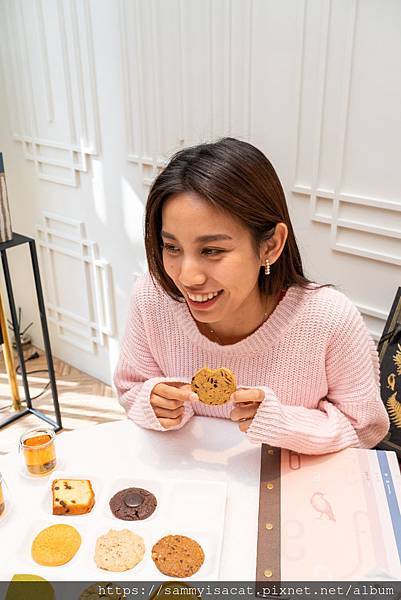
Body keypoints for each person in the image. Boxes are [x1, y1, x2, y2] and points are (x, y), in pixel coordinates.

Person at [114, 137, 389, 454]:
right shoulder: (152, 297)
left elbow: (365, 429)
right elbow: (131, 386)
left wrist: (283, 423)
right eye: (172, 247)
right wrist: (153, 402)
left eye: (212, 250)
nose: (187, 277)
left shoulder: (330, 319)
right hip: (184, 476)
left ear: (270, 245)